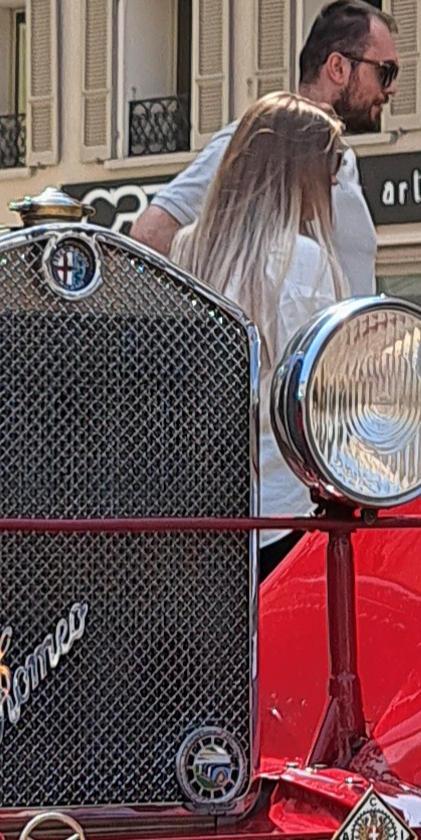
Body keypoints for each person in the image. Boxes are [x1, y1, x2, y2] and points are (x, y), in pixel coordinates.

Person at [167, 94, 350, 530]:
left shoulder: (189, 250)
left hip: (207, 507)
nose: (335, 184)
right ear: (300, 172)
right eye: (331, 169)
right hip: (288, 505)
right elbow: (329, 396)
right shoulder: (307, 260)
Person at [133, 0, 398, 295]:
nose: (391, 88)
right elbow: (150, 235)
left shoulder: (341, 158)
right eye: (384, 72)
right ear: (337, 67)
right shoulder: (260, 139)